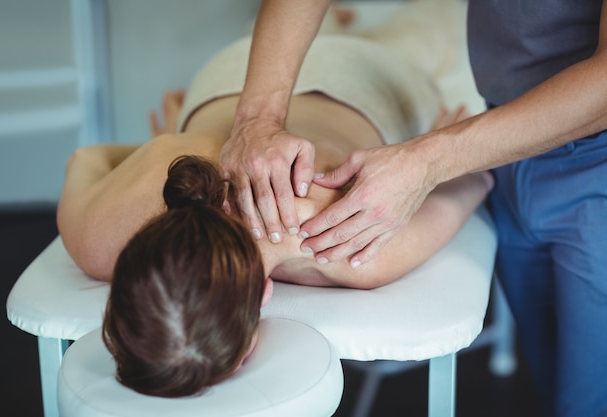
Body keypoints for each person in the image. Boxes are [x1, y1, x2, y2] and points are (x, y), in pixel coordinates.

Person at [56, 25, 492, 397]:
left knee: (434, 29)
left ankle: (344, 23)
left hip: (367, 80)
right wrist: (165, 149)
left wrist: (433, 147)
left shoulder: (354, 248)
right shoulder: (96, 240)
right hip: (233, 71)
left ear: (263, 296)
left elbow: (477, 180)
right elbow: (85, 160)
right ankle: (338, 21)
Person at [220, 0, 607, 415]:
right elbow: (478, 178)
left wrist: (433, 158)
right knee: (557, 380)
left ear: (262, 296)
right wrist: (257, 118)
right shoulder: (346, 249)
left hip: (584, 150)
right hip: (507, 135)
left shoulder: (350, 250)